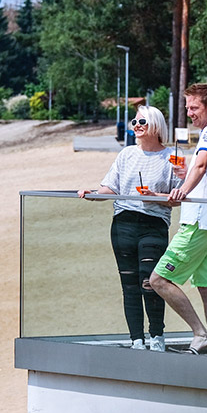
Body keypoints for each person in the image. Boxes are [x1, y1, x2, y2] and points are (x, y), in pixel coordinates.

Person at [78, 105, 180, 352]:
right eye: (134, 122)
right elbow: (111, 188)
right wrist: (92, 194)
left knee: (150, 280)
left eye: (141, 122)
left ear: (155, 126)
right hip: (123, 222)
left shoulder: (173, 156)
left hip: (154, 223)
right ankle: (137, 340)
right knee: (129, 284)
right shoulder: (126, 154)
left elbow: (179, 196)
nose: (136, 126)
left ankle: (157, 336)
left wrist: (156, 196)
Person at [149, 83, 207, 356]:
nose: (189, 113)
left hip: (197, 221)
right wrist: (185, 171)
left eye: (194, 107)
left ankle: (201, 335)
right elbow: (204, 168)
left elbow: (202, 164)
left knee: (158, 280)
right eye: (187, 108)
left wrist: (181, 190)